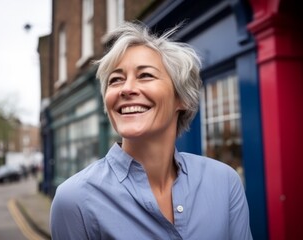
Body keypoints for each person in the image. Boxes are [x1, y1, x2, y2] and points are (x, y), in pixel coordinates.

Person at [50, 21, 253, 240]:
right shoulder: (74, 199)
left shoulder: (224, 182)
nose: (126, 89)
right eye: (115, 80)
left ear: (182, 98)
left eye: (145, 75)